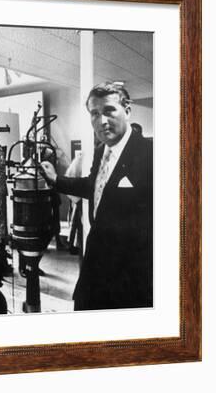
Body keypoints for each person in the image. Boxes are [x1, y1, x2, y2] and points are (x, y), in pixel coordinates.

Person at [41, 82, 153, 311]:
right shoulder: (101, 151)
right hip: (94, 266)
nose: (101, 121)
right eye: (95, 113)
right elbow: (93, 186)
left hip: (130, 281)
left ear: (127, 110)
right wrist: (56, 180)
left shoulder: (150, 154)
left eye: (109, 110)